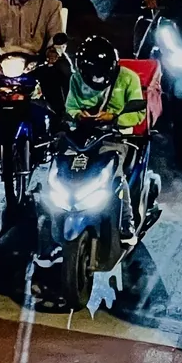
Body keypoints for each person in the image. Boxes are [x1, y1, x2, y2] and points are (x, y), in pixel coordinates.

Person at [61, 37, 149, 236]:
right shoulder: (76, 79)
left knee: (116, 174)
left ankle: (127, 220)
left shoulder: (129, 78)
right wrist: (78, 115)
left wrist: (114, 118)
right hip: (82, 137)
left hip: (116, 137)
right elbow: (70, 107)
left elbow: (138, 114)